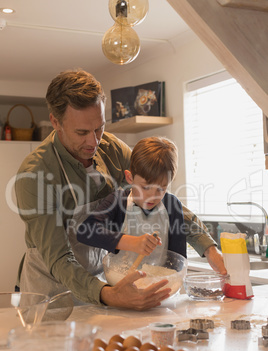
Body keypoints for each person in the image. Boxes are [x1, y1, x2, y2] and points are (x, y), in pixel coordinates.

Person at [15, 69, 226, 311]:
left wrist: (208, 247)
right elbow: (59, 258)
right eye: (82, 132)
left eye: (99, 128)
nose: (94, 142)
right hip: (51, 289)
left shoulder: (111, 148)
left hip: (101, 281)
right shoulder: (35, 174)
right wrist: (108, 294)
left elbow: (157, 194)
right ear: (55, 122)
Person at [77, 137, 186, 264]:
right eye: (145, 187)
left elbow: (179, 259)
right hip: (120, 281)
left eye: (161, 189)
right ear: (130, 177)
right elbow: (85, 231)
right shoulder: (118, 201)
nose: (152, 196)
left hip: (160, 281)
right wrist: (130, 242)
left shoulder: (172, 205)